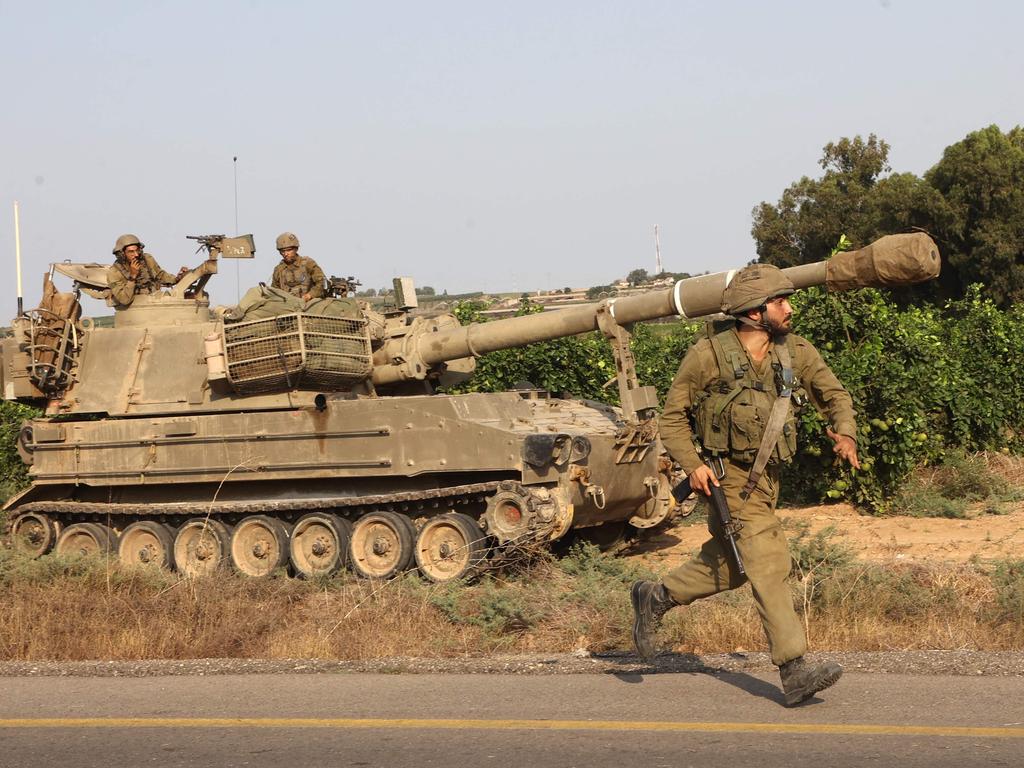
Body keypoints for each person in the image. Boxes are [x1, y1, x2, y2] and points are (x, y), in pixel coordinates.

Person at [631, 262, 860, 707]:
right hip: (727, 478)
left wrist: (845, 431)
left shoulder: (795, 351)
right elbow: (673, 418)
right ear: (754, 312)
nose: (789, 308)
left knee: (736, 567)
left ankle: (655, 596)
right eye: (781, 301)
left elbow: (834, 394)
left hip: (768, 481)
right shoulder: (708, 355)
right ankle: (794, 670)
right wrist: (693, 465)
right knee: (770, 558)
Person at [107, 234, 188, 308]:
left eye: (137, 250)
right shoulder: (114, 272)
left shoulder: (147, 259)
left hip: (155, 301)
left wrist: (178, 278)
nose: (136, 254)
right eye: (131, 251)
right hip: (136, 309)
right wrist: (132, 276)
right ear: (122, 254)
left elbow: (161, 275)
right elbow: (124, 300)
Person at [271, 232, 325, 301]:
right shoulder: (279, 269)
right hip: (288, 306)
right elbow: (274, 291)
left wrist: (310, 295)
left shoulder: (308, 263)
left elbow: (321, 283)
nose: (285, 254)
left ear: (296, 249)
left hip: (310, 304)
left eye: (289, 250)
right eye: (282, 251)